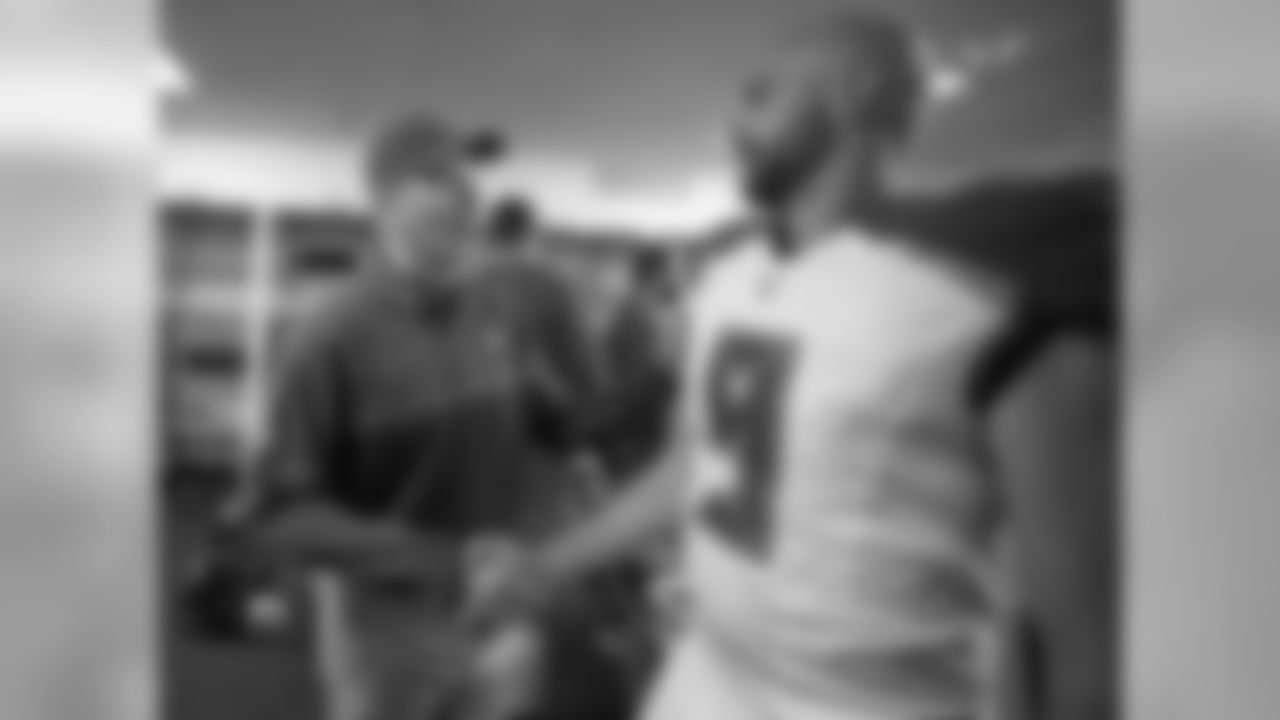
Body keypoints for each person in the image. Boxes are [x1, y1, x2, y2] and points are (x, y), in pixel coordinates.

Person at [465, 9, 1115, 720]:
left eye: (761, 93)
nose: (734, 121)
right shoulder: (727, 279)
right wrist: (550, 560)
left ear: (854, 89)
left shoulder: (985, 293)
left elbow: (1083, 635)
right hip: (702, 680)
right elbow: (692, 468)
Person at [219, 113, 607, 720]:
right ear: (383, 202)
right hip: (387, 627)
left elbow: (544, 421)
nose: (466, 193)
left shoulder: (497, 311)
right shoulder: (329, 336)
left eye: (467, 177)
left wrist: (568, 433)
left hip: (499, 607)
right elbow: (277, 511)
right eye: (436, 176)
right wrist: (444, 560)